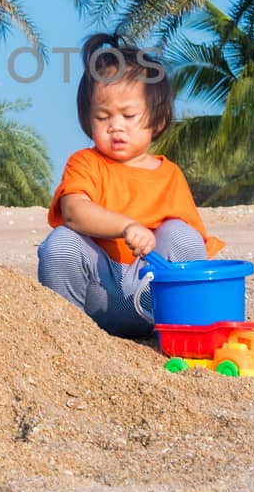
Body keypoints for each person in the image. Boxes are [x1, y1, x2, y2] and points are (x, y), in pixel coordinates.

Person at [37, 33, 225, 336]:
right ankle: (64, 334)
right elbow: (73, 211)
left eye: (128, 115)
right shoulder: (86, 163)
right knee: (62, 243)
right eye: (102, 117)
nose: (116, 126)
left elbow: (190, 247)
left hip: (151, 294)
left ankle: (189, 327)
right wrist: (126, 227)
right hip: (101, 293)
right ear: (87, 120)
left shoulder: (169, 175)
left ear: (158, 120)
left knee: (182, 234)